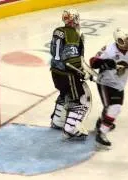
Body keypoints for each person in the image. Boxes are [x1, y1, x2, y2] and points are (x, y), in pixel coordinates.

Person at [89, 28, 128, 149]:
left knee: (112, 107)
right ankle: (101, 133)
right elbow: (93, 62)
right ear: (118, 41)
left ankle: (101, 124)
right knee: (114, 107)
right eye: (125, 41)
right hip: (105, 82)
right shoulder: (109, 50)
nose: (127, 43)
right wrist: (105, 62)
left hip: (119, 84)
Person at [49, 9, 91, 140]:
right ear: (75, 19)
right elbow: (70, 59)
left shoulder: (58, 31)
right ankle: (71, 128)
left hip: (55, 71)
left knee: (64, 94)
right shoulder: (72, 33)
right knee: (80, 100)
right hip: (68, 74)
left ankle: (58, 121)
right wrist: (82, 72)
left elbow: (56, 53)